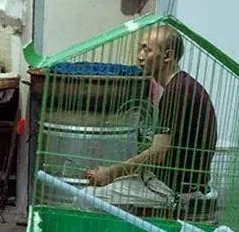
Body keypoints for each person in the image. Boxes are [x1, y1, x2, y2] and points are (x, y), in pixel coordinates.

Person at [82, 26, 218, 210]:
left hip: (172, 190)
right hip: (164, 180)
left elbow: (158, 153)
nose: (140, 56)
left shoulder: (178, 91)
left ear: (167, 56)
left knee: (86, 197)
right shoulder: (181, 85)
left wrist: (110, 173)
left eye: (147, 50)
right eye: (140, 48)